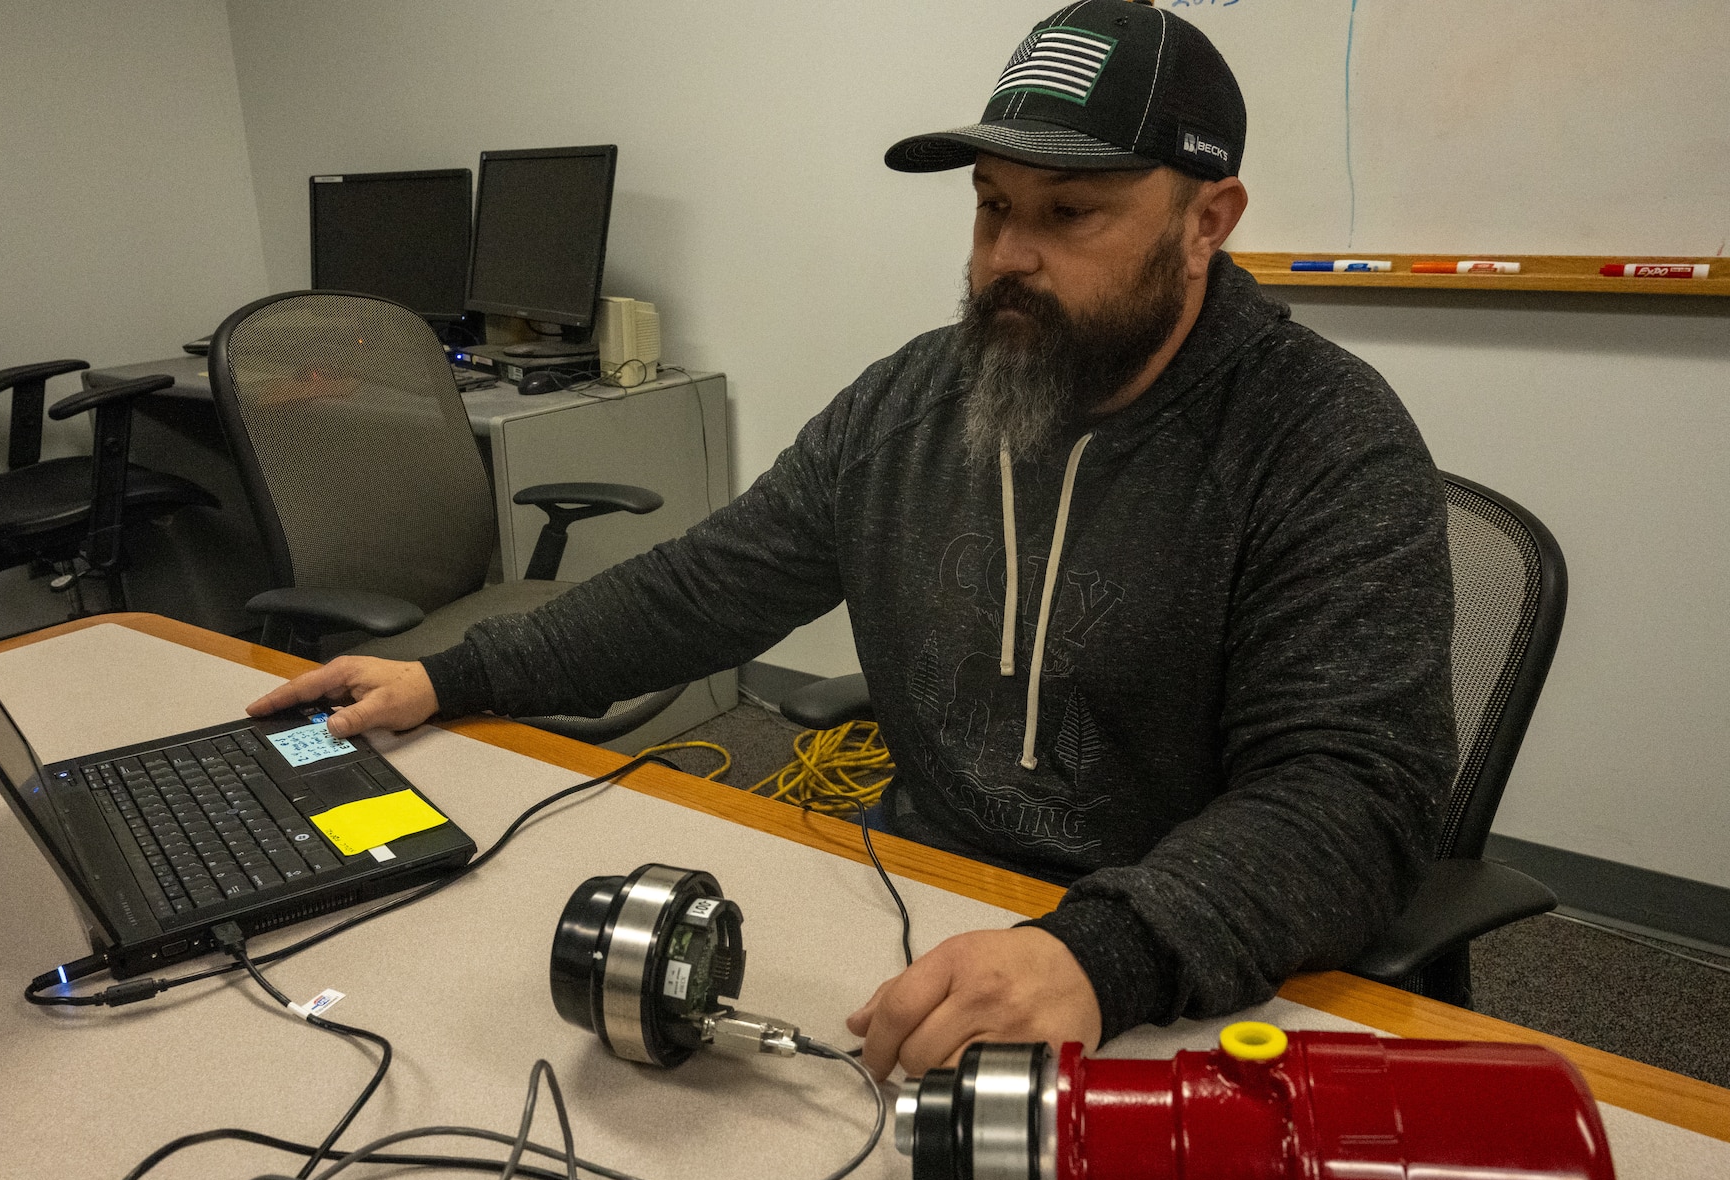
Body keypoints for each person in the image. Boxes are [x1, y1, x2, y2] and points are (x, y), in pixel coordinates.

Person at [250, 0, 1456, 1080]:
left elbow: (1351, 793)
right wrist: (450, 676)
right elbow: (701, 589)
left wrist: (1102, 952)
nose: (1004, 262)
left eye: (1067, 214)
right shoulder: (915, 404)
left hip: (1170, 972)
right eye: (989, 210)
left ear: (1207, 220)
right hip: (921, 895)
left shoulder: (1324, 441)